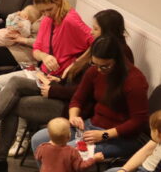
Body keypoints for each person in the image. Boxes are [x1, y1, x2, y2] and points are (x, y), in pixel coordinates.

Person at [0, 8, 127, 172]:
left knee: (11, 104)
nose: (91, 32)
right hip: (62, 90)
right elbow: (80, 82)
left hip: (68, 103)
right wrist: (57, 81)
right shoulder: (98, 47)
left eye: (96, 28)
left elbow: (87, 93)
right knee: (15, 82)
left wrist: (54, 90)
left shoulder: (114, 56)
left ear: (108, 30)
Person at [29, 32, 147, 162]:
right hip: (92, 127)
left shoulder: (135, 80)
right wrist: (73, 116)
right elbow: (78, 99)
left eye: (105, 66)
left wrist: (104, 135)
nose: (99, 70)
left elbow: (138, 121)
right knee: (38, 140)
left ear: (117, 60)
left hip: (119, 137)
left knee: (61, 154)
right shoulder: (94, 71)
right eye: (95, 64)